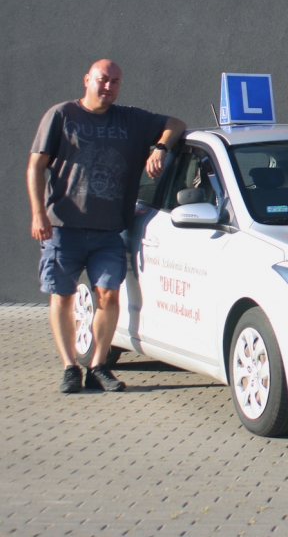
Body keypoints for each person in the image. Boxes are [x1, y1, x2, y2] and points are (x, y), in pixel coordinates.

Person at [27, 59, 186, 394]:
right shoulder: (62, 115)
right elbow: (36, 166)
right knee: (63, 296)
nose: (108, 87)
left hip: (109, 229)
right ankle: (70, 366)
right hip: (63, 226)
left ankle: (98, 366)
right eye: (102, 79)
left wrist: (160, 147)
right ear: (87, 79)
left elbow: (175, 123)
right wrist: (38, 213)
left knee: (109, 296)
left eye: (115, 82)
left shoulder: (130, 119)